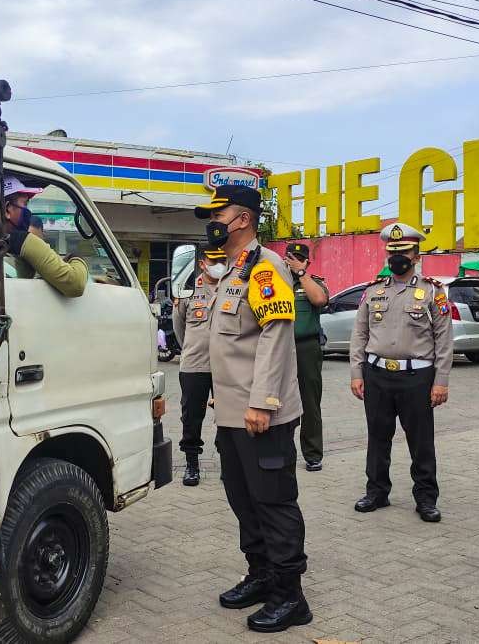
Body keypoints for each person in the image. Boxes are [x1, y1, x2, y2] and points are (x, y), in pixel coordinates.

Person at [195, 184, 311, 633]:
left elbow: (275, 336)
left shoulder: (265, 268)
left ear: (241, 219)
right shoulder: (231, 271)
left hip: (261, 414)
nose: (212, 223)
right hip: (232, 414)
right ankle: (261, 575)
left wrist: (262, 401)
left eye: (218, 214)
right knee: (244, 500)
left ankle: (290, 596)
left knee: (274, 502)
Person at [349, 222, 452, 523]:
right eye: (392, 251)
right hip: (377, 375)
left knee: (421, 441)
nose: (397, 257)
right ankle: (377, 491)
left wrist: (441, 382)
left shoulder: (433, 292)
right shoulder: (373, 292)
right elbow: (360, 334)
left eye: (403, 252)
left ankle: (426, 498)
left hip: (417, 378)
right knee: (377, 437)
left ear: (416, 256)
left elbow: (444, 340)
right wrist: (357, 373)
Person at [172, 247, 228, 486]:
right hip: (195, 364)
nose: (219, 265)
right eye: (214, 261)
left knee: (228, 416)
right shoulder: (186, 290)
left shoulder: (232, 287)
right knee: (192, 417)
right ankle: (192, 464)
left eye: (222, 261)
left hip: (226, 365)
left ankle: (229, 461)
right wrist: (193, 348)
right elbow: (179, 328)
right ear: (203, 264)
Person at [283, 242, 329, 472]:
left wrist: (302, 274)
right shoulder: (276, 282)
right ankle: (282, 450)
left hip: (306, 348)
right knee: (278, 400)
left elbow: (319, 300)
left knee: (309, 402)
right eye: (291, 257)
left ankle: (312, 454)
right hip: (279, 349)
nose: (294, 261)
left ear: (307, 261)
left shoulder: (313, 282)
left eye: (299, 258)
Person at [3, 176, 87, 297]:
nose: (27, 211)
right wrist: (76, 258)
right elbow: (75, 284)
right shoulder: (22, 240)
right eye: (25, 204)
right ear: (7, 209)